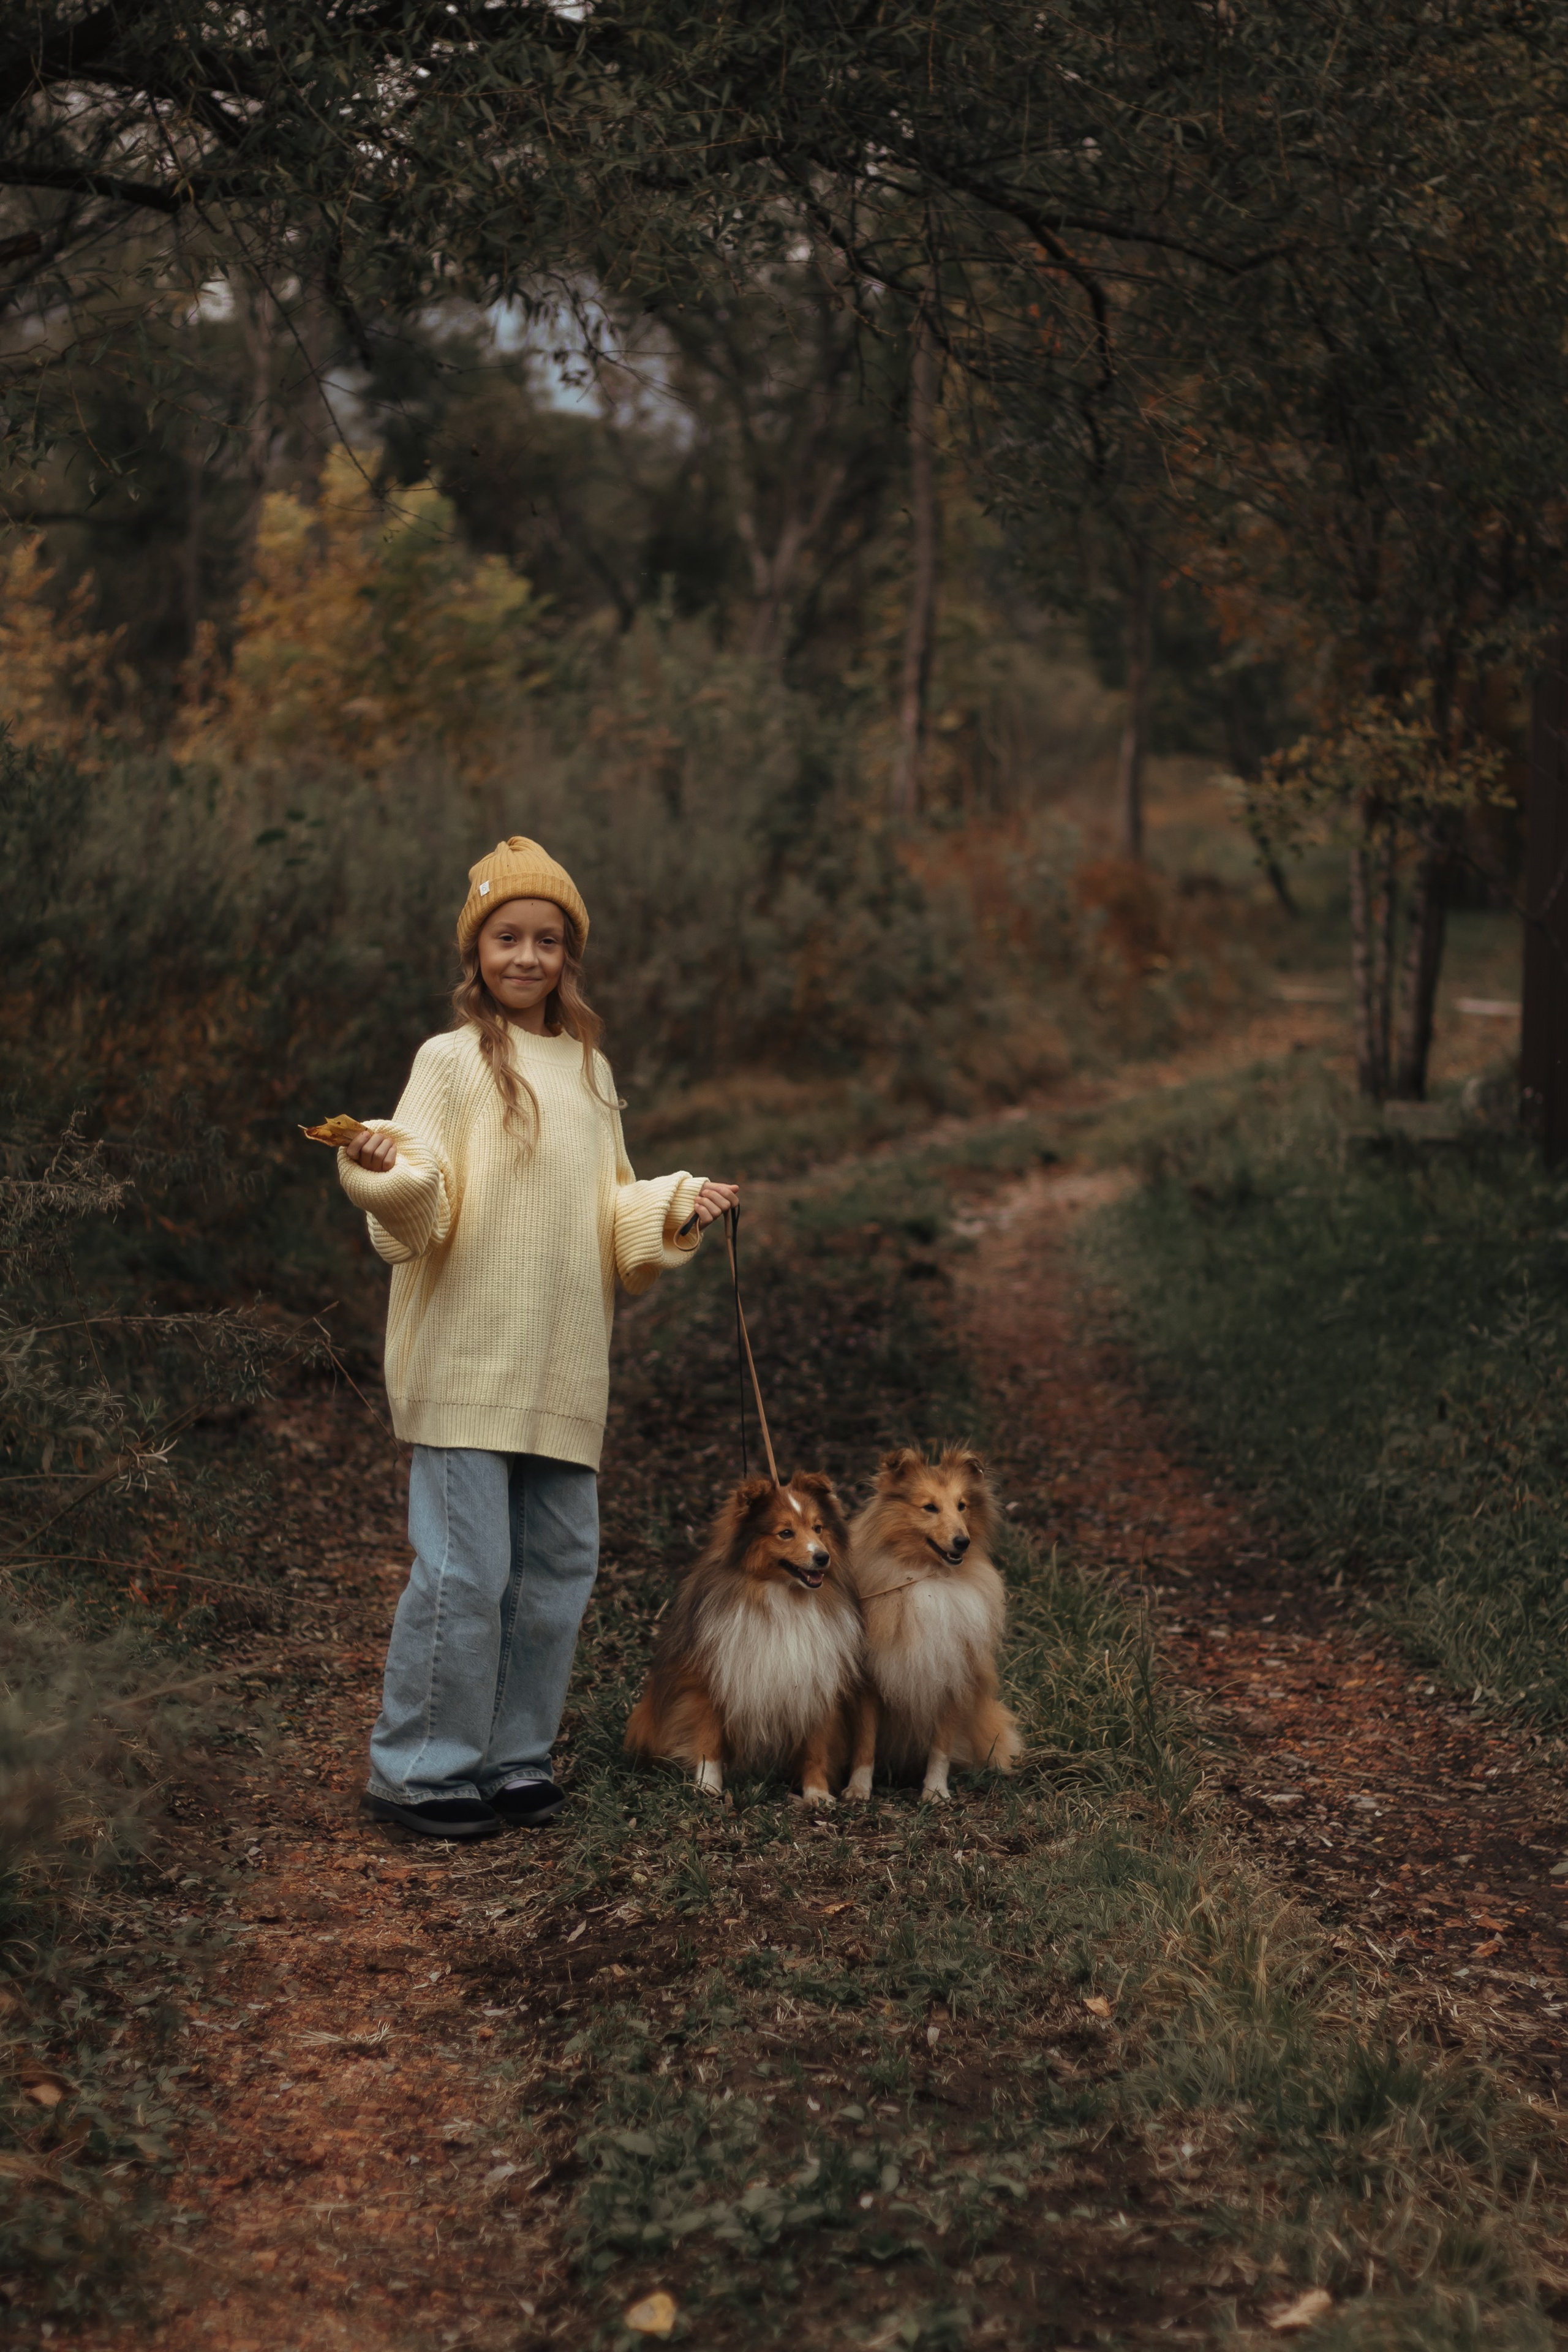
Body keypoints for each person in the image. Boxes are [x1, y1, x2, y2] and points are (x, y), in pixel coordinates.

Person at [336, 836, 737, 1839]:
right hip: (468, 1361)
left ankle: (513, 1759)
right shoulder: (451, 1060)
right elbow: (416, 1200)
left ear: (569, 956)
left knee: (557, 1572)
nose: (527, 956)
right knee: (466, 1574)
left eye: (547, 940)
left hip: (562, 1365)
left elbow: (610, 1212)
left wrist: (678, 1202)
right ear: (477, 952)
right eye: (507, 938)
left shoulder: (590, 1070)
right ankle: (419, 1772)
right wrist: (380, 1164)